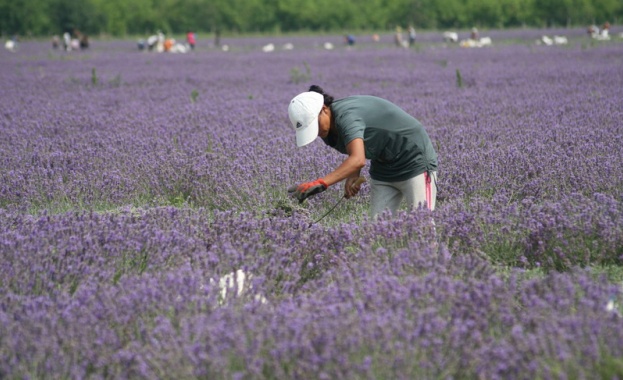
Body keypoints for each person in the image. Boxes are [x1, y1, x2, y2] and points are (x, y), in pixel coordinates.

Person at [287, 85, 438, 219]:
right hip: (384, 167)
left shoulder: (347, 118)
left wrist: (321, 183)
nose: (317, 131)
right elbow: (358, 147)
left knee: (422, 223)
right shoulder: (327, 131)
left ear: (324, 110)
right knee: (378, 231)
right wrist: (354, 174)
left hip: (414, 161)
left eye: (316, 125)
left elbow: (358, 159)